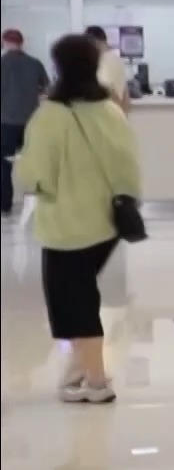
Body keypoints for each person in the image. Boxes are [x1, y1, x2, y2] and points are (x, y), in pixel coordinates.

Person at [11, 33, 142, 403]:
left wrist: (22, 171)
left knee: (73, 305)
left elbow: (35, 176)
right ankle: (79, 371)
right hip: (108, 223)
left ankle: (97, 383)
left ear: (58, 68)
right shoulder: (111, 111)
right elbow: (128, 165)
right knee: (81, 294)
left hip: (66, 227)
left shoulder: (50, 116)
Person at [2, 28, 51, 218]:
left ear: (5, 42)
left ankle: (5, 204)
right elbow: (47, 89)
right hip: (31, 122)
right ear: (22, 43)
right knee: (34, 164)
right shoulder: (35, 63)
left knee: (4, 165)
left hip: (5, 122)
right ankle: (36, 203)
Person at [85, 27, 131, 112]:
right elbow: (125, 95)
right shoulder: (117, 59)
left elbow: (107, 89)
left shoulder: (103, 60)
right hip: (117, 113)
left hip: (108, 112)